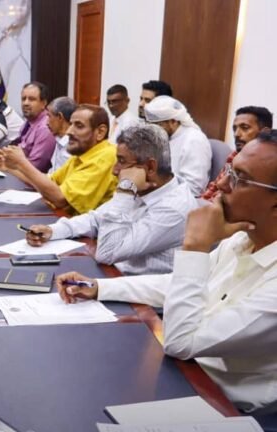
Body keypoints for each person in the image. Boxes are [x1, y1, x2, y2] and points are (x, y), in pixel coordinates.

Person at [56, 130, 277, 413]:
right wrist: (100, 287)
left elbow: (181, 342)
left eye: (240, 179)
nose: (221, 183)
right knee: (77, 370)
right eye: (228, 171)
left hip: (222, 403)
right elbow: (178, 283)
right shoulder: (242, 238)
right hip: (185, 371)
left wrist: (195, 246)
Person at [25, 124, 198, 274]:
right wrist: (53, 230)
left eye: (121, 161)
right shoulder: (146, 187)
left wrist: (125, 190)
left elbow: (107, 252)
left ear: (150, 167)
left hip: (138, 295)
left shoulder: (173, 208)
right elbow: (96, 219)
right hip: (113, 276)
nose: (115, 170)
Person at [0, 104, 117, 215]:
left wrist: (22, 163)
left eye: (79, 126)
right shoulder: (83, 154)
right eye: (71, 124)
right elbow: (49, 182)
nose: (69, 131)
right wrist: (9, 168)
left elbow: (61, 199)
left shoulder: (104, 158)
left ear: (100, 132)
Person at [144, 96, 212, 196]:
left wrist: (157, 186)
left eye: (157, 125)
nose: (153, 130)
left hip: (179, 200)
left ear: (173, 121)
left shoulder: (194, 140)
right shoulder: (164, 138)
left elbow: (194, 188)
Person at [203, 106, 272, 200]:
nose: (236, 134)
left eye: (245, 128)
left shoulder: (269, 166)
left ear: (265, 132)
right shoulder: (235, 155)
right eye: (235, 129)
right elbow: (212, 191)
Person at [10, 81, 55, 172]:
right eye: (23, 99)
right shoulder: (29, 122)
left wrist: (7, 165)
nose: (25, 103)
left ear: (43, 103)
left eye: (31, 99)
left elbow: (36, 167)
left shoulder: (45, 128)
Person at [46, 96, 76, 173]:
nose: (46, 122)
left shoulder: (72, 147)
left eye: (49, 116)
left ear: (60, 117)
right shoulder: (59, 140)